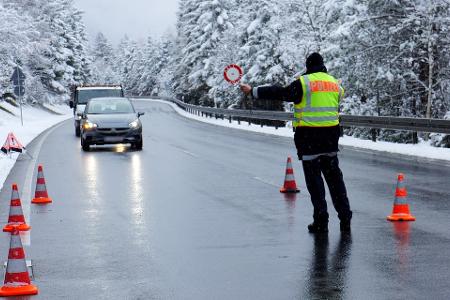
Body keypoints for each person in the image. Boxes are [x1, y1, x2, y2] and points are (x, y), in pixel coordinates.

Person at [240, 53, 352, 233]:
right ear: (323, 66)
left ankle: (321, 221)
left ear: (308, 66)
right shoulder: (335, 85)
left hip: (309, 139)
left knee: (315, 183)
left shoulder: (304, 83)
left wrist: (253, 91)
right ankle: (345, 218)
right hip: (331, 140)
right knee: (335, 180)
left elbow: (280, 92)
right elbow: (336, 102)